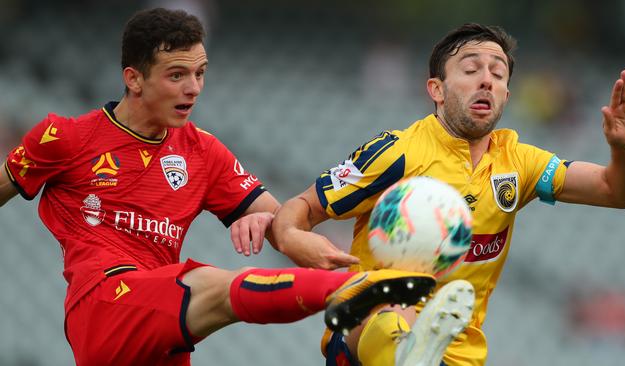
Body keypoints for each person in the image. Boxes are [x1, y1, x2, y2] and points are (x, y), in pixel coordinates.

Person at [0, 8, 441, 366]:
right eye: (177, 75)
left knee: (202, 287)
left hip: (162, 332)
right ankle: (355, 292)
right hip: (103, 306)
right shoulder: (66, 138)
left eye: (201, 73)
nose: (193, 88)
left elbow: (281, 224)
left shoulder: (203, 152)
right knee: (210, 283)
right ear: (133, 78)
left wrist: (275, 223)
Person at [272, 23, 625, 366]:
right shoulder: (397, 153)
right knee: (392, 315)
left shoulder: (520, 163)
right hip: (365, 337)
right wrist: (292, 237)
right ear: (436, 89)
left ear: (506, 94)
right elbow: (301, 207)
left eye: (498, 74)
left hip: (460, 355)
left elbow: (618, 191)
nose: (486, 80)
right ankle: (406, 353)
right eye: (471, 70)